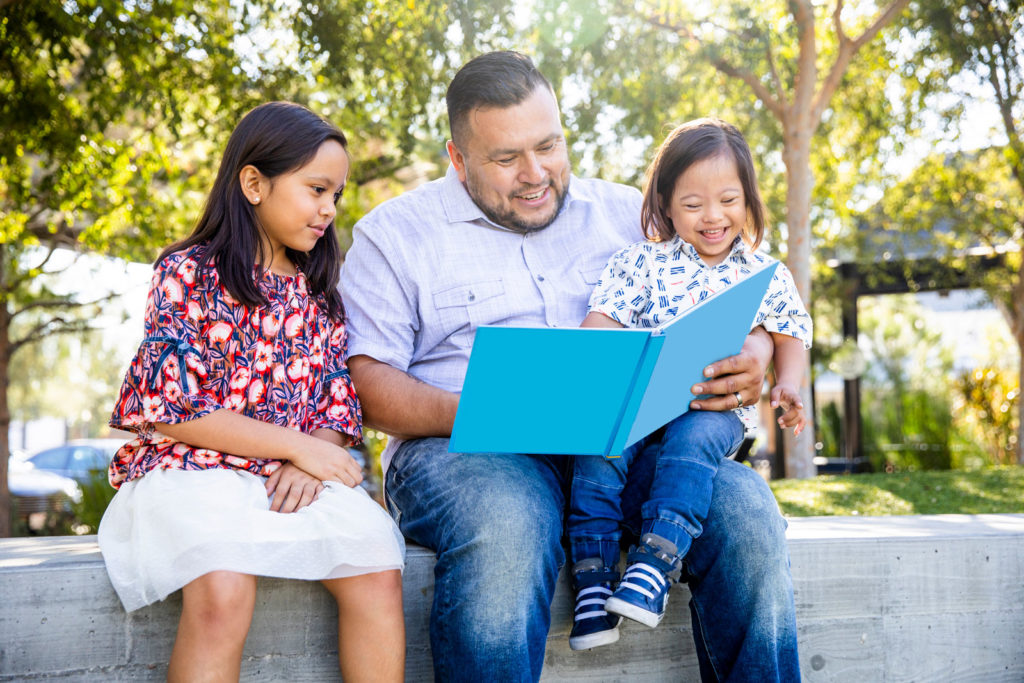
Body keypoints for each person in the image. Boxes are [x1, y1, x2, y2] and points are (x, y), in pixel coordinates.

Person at [340, 51, 800, 681]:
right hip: (464, 450)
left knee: (746, 511)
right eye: (506, 159)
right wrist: (492, 410)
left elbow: (741, 292)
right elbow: (367, 383)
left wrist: (754, 357)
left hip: (627, 448)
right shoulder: (393, 235)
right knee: (508, 524)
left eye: (549, 146)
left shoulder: (635, 216)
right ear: (458, 158)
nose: (536, 174)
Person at [97, 101, 405, 682]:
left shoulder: (320, 292)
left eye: (335, 196)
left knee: (375, 565)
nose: (328, 210)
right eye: (317, 189)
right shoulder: (186, 272)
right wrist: (298, 447)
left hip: (289, 475)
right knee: (224, 586)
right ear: (254, 183)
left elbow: (336, 405)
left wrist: (310, 458)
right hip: (190, 470)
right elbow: (174, 409)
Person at [566, 118, 812, 651]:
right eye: (694, 203)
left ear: (748, 200)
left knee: (694, 441)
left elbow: (789, 335)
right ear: (667, 203)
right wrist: (591, 357)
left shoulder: (764, 274)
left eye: (728, 199)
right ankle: (593, 582)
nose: (713, 216)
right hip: (640, 405)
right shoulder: (639, 263)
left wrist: (788, 386)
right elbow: (600, 329)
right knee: (598, 444)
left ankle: (654, 565)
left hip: (710, 410)